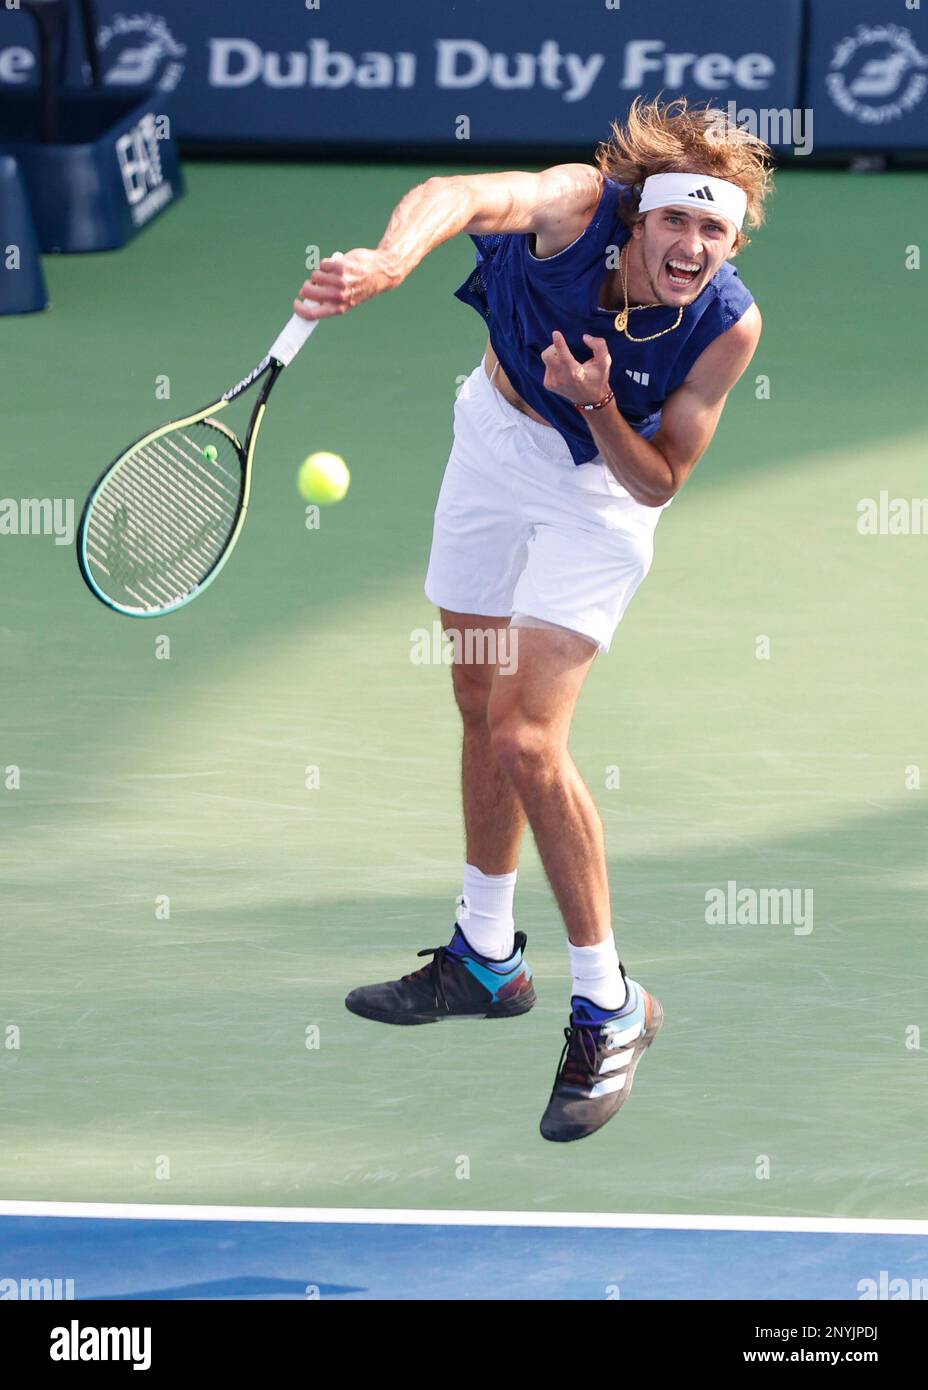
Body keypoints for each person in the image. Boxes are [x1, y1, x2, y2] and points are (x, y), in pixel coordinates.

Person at [294, 98, 773, 1143]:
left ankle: (610, 1005)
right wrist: (388, 261)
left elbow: (656, 485)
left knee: (525, 734)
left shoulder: (727, 325)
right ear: (636, 218)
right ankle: (484, 956)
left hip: (597, 497)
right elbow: (460, 193)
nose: (690, 246)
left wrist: (600, 403)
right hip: (490, 447)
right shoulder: (571, 207)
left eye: (714, 231)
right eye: (674, 223)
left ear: (730, 242)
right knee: (476, 699)